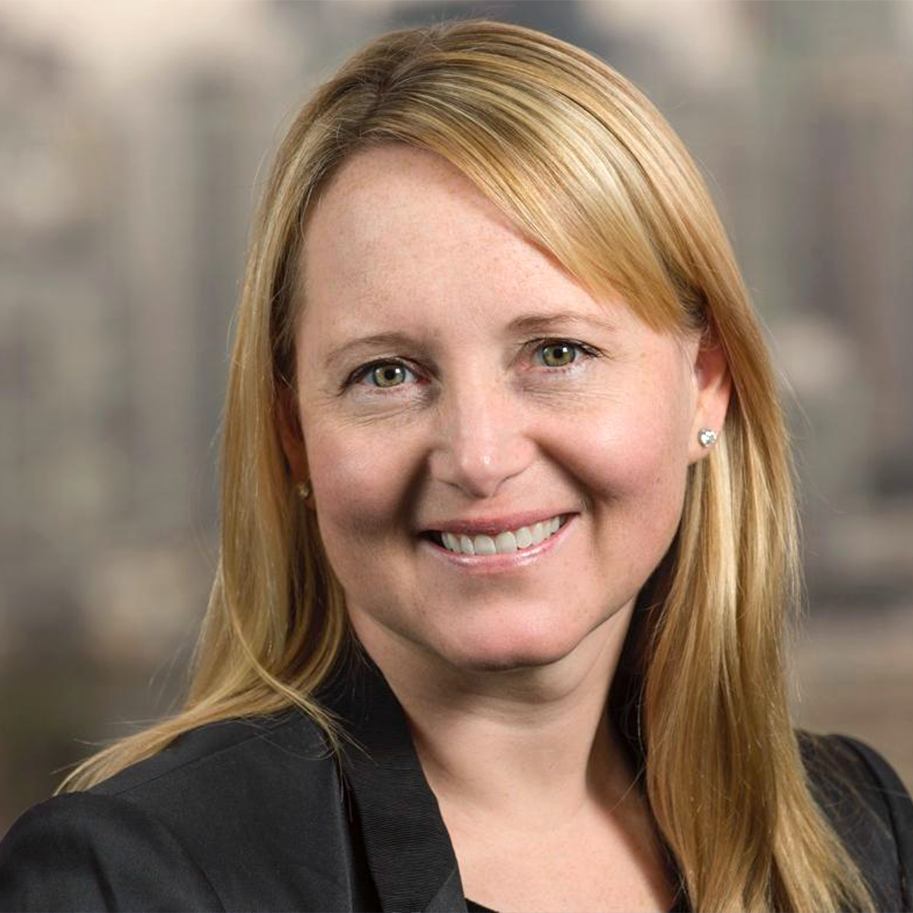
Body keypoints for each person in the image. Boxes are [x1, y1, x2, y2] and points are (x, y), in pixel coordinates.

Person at [0, 17, 910, 913]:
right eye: (386, 373)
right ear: (294, 435)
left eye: (556, 353)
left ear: (704, 385)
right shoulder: (121, 881)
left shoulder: (864, 830)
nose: (478, 458)